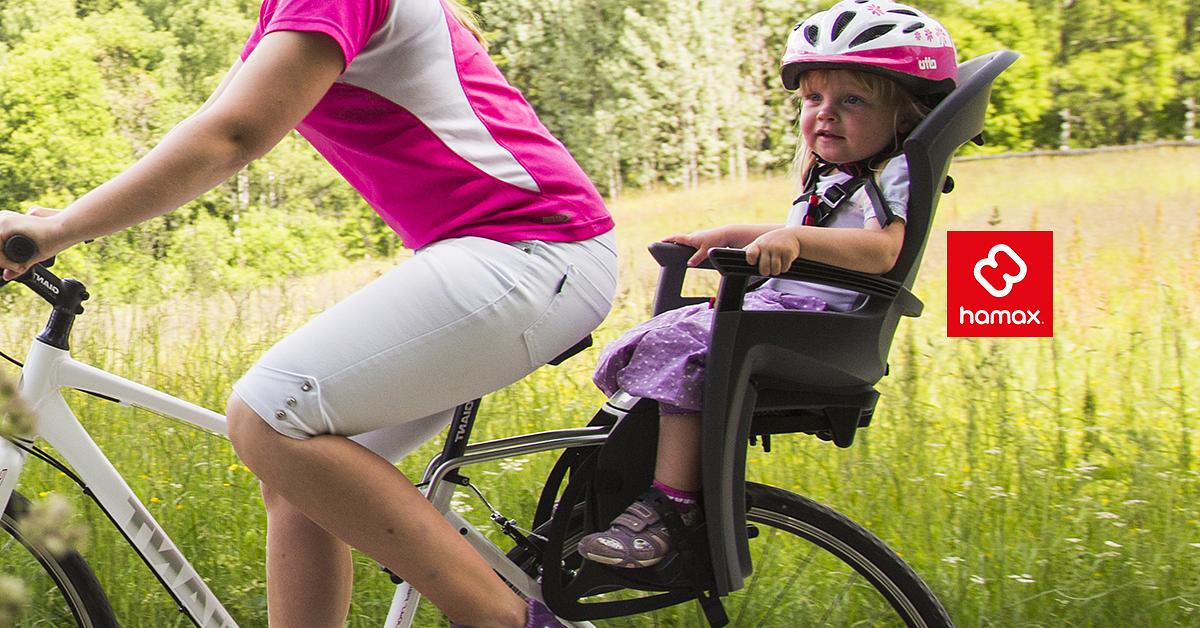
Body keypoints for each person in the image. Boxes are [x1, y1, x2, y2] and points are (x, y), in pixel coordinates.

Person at [0, 0, 616, 626]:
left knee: (270, 418)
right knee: (300, 481)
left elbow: (233, 137)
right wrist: (62, 223)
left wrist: (60, 232)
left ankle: (510, 620)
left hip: (533, 250)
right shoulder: (283, 13)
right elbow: (210, 122)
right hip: (513, 256)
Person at [578, 0, 957, 569]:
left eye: (852, 100)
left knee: (684, 350)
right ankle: (644, 486)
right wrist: (730, 234)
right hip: (791, 308)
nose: (825, 115)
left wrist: (796, 242)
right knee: (664, 336)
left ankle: (671, 505)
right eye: (813, 99)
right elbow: (796, 233)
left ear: (904, 115)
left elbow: (882, 251)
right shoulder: (834, 173)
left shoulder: (895, 170)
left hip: (824, 330)